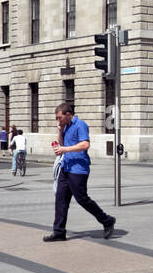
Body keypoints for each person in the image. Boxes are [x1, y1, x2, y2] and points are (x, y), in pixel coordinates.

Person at [44, 102, 115, 242]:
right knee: (61, 199)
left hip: (78, 169)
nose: (58, 120)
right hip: (66, 167)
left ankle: (107, 220)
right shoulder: (66, 126)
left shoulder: (80, 125)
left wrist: (65, 150)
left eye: (59, 118)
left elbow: (85, 144)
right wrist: (59, 131)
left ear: (68, 114)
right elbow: (62, 144)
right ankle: (59, 232)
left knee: (82, 199)